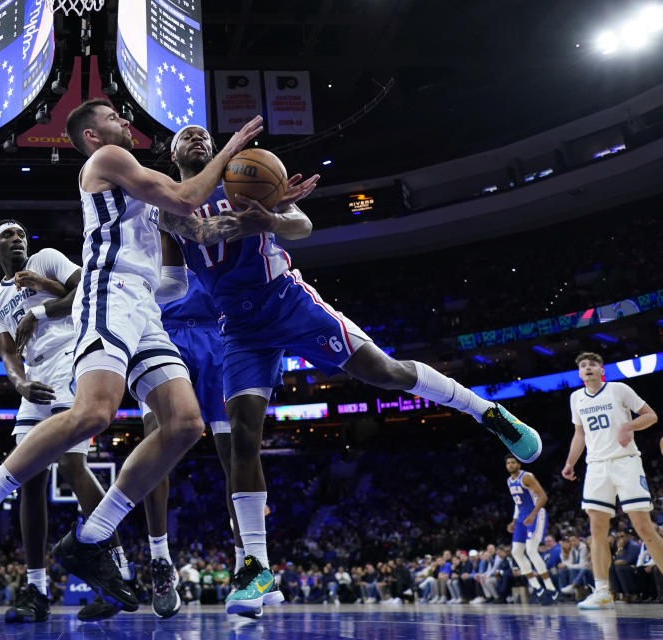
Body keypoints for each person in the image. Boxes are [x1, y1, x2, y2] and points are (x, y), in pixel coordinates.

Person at [158, 123, 543, 616]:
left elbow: (302, 226)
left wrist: (272, 218)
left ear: (217, 148)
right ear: (171, 152)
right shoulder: (166, 204)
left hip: (289, 302)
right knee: (242, 435)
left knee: (385, 372)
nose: (196, 138)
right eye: (185, 136)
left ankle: (485, 411)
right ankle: (255, 567)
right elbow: (188, 249)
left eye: (203, 135)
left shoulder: (242, 178)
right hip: (239, 328)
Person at [0, 101, 263, 614]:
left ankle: (92, 536)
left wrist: (267, 213)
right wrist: (230, 151)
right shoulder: (107, 160)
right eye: (113, 117)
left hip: (144, 307)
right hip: (108, 292)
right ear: (91, 135)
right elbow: (185, 193)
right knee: (94, 413)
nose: (124, 122)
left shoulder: (141, 190)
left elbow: (197, 227)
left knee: (183, 424)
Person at [0, 220, 132, 623]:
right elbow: (8, 355)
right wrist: (21, 385)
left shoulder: (46, 260)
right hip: (36, 381)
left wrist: (44, 298)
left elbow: (88, 290)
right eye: (8, 237)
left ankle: (118, 572)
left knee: (71, 464)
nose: (18, 239)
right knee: (27, 478)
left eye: (21, 234)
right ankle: (36, 589)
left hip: (71, 360)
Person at [138, 270, 239, 618]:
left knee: (235, 453)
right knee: (156, 445)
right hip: (160, 336)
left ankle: (248, 564)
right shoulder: (146, 223)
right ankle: (160, 561)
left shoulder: (212, 219)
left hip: (216, 334)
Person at [562, 351, 663, 609]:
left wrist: (628, 426)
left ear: (601, 369)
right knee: (597, 531)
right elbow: (579, 433)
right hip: (596, 466)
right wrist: (570, 462)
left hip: (625, 461)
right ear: (579, 373)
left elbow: (651, 416)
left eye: (592, 364)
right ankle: (603, 591)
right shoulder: (576, 398)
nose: (588, 368)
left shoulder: (619, 389)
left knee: (644, 528)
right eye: (583, 365)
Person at [504, 454, 558, 604]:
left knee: (531, 550)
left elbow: (543, 497)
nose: (510, 465)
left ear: (519, 464)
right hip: (521, 517)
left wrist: (532, 515)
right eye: (508, 463)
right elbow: (517, 503)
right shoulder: (509, 481)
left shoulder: (527, 477)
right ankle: (536, 586)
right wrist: (514, 521)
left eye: (513, 462)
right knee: (516, 552)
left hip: (535, 514)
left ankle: (550, 588)